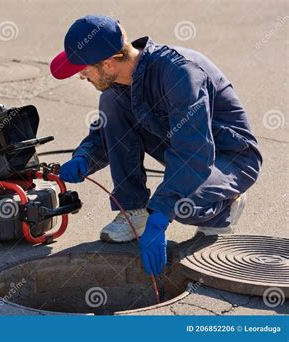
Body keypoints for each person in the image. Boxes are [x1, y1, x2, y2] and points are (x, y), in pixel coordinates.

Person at [50, 15, 262, 276]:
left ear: (108, 63)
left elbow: (193, 152)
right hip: (181, 144)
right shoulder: (122, 78)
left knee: (182, 204)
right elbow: (107, 131)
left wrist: (161, 214)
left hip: (231, 156)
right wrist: (84, 158)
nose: (81, 76)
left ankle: (226, 204)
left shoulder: (180, 74)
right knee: (111, 103)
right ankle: (133, 210)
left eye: (84, 70)